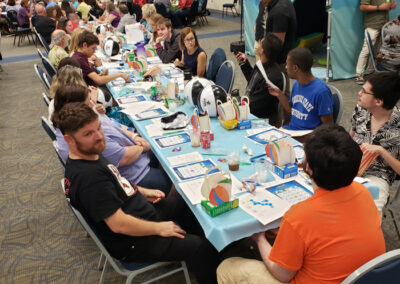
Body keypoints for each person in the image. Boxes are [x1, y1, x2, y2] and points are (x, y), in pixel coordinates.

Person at [57, 102, 219, 284]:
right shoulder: (89, 178)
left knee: (187, 205)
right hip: (131, 240)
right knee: (200, 247)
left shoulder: (89, 152)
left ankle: (205, 256)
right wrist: (160, 228)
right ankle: (204, 258)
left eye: (99, 128)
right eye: (88, 133)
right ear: (69, 140)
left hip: (138, 211)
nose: (99, 136)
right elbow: (118, 225)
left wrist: (139, 190)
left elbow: (116, 181)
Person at [217, 124, 386, 284]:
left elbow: (282, 274)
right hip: (366, 278)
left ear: (309, 168)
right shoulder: (363, 192)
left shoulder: (299, 216)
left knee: (227, 268)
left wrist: (259, 238)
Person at [350, 71, 400, 214]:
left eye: (364, 91)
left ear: (378, 102)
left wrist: (381, 151)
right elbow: (349, 138)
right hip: (350, 167)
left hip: (377, 177)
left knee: (369, 214)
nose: (359, 93)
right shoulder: (361, 110)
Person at [269, 47, 333, 131]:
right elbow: (293, 112)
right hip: (292, 131)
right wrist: (280, 95)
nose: (286, 67)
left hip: (308, 139)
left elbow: (329, 128)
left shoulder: (321, 92)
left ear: (295, 68)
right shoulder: (297, 84)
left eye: (287, 64)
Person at [234, 33, 283, 127]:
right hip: (250, 109)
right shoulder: (262, 64)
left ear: (262, 50)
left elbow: (254, 104)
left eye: (260, 44)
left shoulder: (272, 78)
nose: (258, 45)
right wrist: (244, 64)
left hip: (260, 121)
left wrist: (235, 101)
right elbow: (254, 83)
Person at [264, 0, 296, 126]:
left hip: (278, 63)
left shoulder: (280, 11)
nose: (260, 1)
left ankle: (285, 128)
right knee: (282, 94)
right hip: (280, 61)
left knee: (280, 96)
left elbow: (276, 44)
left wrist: (266, 60)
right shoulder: (282, 4)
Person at [355, 0, 397, 84]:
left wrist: (390, 6)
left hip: (384, 25)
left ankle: (371, 71)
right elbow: (362, 7)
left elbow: (385, 6)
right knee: (366, 50)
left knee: (379, 50)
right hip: (372, 25)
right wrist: (380, 7)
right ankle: (359, 75)